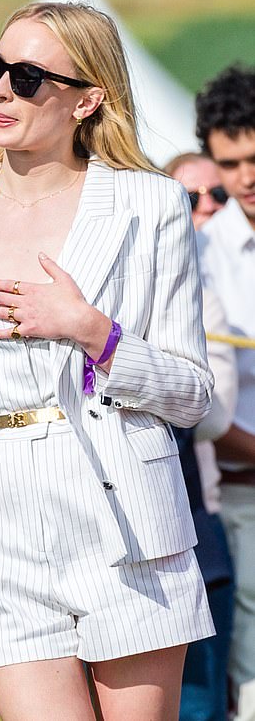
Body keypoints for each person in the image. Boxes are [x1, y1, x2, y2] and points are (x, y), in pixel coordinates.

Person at [0, 2, 215, 721]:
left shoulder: (149, 203)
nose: (1, 89)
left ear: (88, 98)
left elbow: (194, 395)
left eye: (27, 76)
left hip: (124, 509)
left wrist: (94, 331)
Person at [165, 151, 236, 721]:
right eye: (189, 199)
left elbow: (210, 413)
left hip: (194, 527)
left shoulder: (209, 296)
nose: (205, 208)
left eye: (218, 196)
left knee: (199, 705)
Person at [195, 64, 255, 721]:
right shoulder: (200, 254)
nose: (245, 177)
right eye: (229, 163)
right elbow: (204, 406)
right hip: (239, 496)